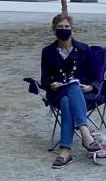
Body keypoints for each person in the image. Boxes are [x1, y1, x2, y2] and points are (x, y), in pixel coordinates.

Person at [41, 13, 102, 169]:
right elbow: (44, 80)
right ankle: (85, 133)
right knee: (70, 88)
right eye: (60, 27)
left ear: (73, 30)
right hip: (57, 92)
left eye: (66, 27)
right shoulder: (48, 52)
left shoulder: (84, 49)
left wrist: (90, 86)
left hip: (83, 94)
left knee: (69, 98)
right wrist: (51, 85)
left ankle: (65, 151)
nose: (64, 29)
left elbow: (96, 76)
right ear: (53, 30)